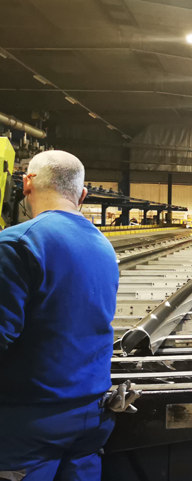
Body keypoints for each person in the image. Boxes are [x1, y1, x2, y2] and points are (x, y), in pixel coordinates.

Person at [0, 151, 119, 480]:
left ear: (27, 183)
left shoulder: (17, 243)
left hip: (28, 421)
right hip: (92, 415)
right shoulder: (103, 245)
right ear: (82, 195)